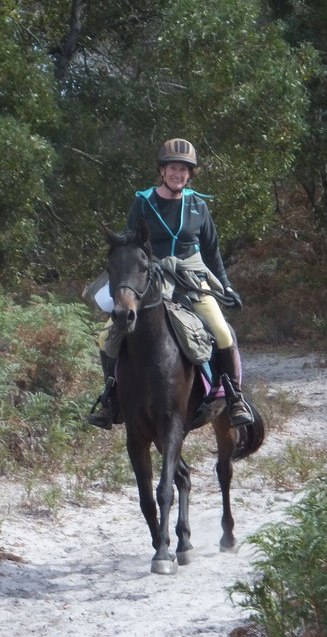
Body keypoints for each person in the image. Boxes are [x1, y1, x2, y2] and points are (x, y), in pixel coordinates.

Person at [88, 138, 254, 429]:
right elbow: (130, 243)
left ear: (190, 174)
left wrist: (226, 286)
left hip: (191, 277)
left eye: (184, 169)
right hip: (153, 277)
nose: (178, 174)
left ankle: (234, 398)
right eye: (173, 168)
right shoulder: (143, 202)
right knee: (106, 337)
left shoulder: (198, 205)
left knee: (222, 332)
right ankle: (111, 400)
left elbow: (211, 251)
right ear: (162, 171)